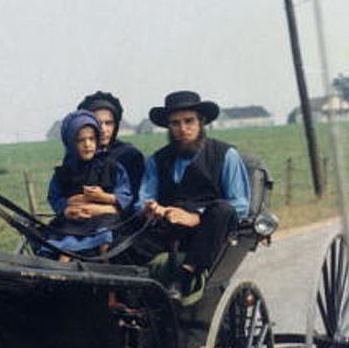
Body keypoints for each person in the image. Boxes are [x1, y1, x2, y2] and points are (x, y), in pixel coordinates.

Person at [131, 90, 251, 300]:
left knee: (223, 209)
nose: (182, 129)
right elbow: (143, 200)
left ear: (201, 122)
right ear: (168, 127)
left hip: (208, 232)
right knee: (121, 243)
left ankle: (186, 275)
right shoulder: (156, 160)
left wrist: (197, 217)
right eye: (175, 123)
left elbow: (240, 205)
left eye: (189, 121)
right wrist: (152, 209)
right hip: (168, 228)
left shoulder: (225, 155)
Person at [41, 109, 132, 259]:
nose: (87, 144)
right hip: (74, 220)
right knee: (66, 245)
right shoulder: (64, 173)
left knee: (106, 237)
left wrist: (104, 197)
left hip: (104, 219)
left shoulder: (112, 167)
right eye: (80, 140)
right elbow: (55, 198)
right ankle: (62, 274)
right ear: (70, 142)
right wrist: (67, 208)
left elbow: (125, 195)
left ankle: (106, 268)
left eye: (91, 139)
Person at [77, 90, 146, 201]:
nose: (104, 130)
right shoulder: (78, 155)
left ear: (116, 125)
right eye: (98, 123)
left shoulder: (130, 155)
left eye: (109, 123)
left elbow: (137, 199)